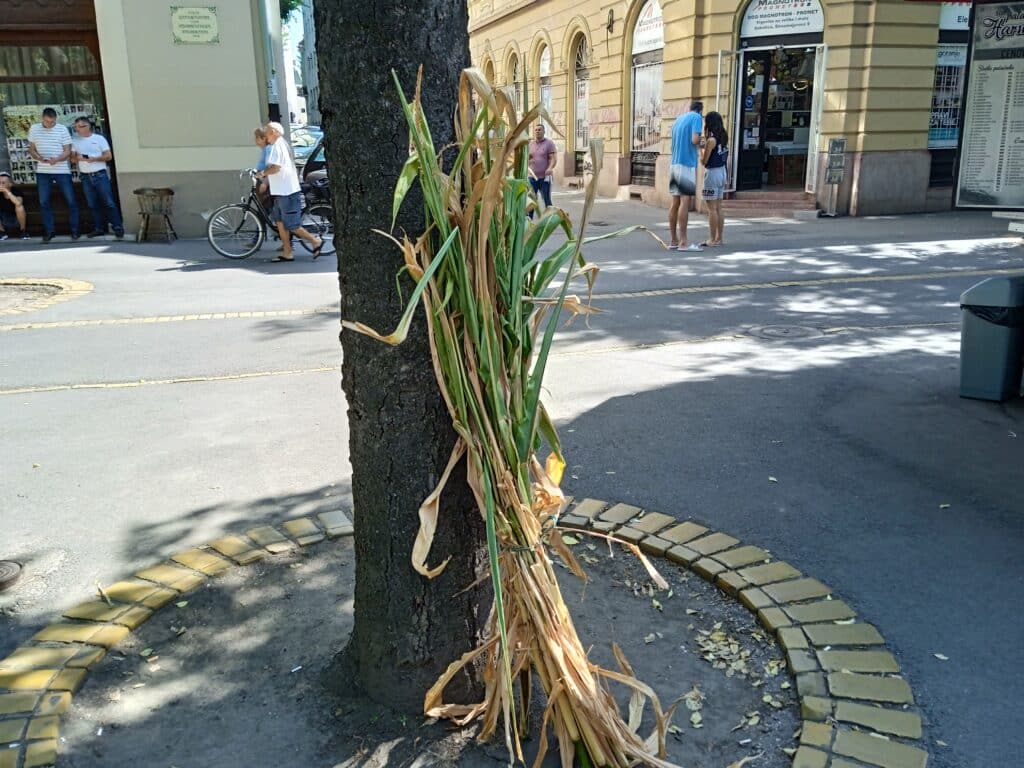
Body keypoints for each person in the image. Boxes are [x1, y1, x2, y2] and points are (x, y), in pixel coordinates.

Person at [258, 122, 322, 262]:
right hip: (281, 191)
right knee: (279, 222)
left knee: (291, 225)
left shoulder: (277, 146)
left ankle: (315, 241)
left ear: (274, 132)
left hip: (287, 191)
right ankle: (287, 252)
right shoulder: (280, 144)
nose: (265, 134)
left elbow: (276, 168)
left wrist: (262, 174)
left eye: (267, 131)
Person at [28, 107, 79, 242]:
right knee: (44, 202)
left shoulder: (62, 129)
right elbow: (31, 149)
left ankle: (75, 230)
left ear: (56, 119)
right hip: (43, 171)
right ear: (42, 119)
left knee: (71, 200)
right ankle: (49, 231)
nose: (50, 124)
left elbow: (67, 150)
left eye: (52, 122)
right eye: (47, 122)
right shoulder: (34, 129)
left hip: (62, 170)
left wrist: (56, 159)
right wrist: (39, 158)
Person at [71, 116, 124, 239]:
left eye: (80, 126)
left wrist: (95, 159)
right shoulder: (75, 141)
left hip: (100, 174)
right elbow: (72, 159)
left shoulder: (99, 139)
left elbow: (108, 156)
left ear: (87, 126)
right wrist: (77, 157)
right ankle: (98, 228)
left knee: (109, 202)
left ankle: (117, 227)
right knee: (92, 204)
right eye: (76, 127)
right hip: (85, 176)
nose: (77, 129)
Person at [669, 100, 703, 251]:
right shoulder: (696, 118)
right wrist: (702, 142)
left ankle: (673, 240)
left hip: (675, 163)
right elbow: (695, 139)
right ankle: (683, 242)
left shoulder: (678, 120)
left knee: (675, 202)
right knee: (685, 201)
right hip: (687, 163)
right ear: (700, 111)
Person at [700, 111, 728, 248]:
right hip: (722, 171)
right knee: (719, 207)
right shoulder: (724, 137)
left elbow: (704, 161)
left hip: (712, 173)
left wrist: (701, 149)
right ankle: (719, 238)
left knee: (711, 209)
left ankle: (712, 239)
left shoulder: (711, 141)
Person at [528, 123, 557, 217]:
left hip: (544, 177)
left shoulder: (549, 143)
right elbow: (527, 159)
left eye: (539, 130)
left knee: (546, 199)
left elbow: (552, 158)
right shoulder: (530, 144)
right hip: (532, 178)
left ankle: (550, 218)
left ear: (544, 131)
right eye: (536, 130)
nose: (537, 131)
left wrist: (550, 168)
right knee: (531, 200)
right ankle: (529, 220)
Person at [0, 171, 30, 240]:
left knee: (20, 207)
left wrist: (7, 192)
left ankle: (23, 231)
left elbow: (18, 203)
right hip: (4, 220)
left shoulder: (16, 191)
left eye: (3, 183)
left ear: (10, 184)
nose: (1, 185)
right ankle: (1, 233)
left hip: (17, 220)